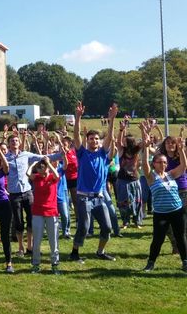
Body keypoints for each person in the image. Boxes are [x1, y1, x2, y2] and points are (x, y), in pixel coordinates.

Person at [69, 102, 117, 263]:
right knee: (84, 226)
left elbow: (109, 138)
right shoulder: (82, 153)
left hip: (99, 197)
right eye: (91, 139)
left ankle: (100, 251)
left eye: (96, 139)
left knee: (107, 227)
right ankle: (74, 252)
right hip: (83, 196)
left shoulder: (103, 154)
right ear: (87, 140)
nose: (94, 141)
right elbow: (76, 136)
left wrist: (111, 120)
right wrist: (78, 118)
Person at [140, 122, 187, 272]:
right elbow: (145, 164)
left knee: (181, 237)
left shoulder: (170, 174)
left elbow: (184, 166)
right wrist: (146, 147)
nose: (163, 164)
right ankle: (151, 263)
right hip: (161, 213)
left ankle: (185, 262)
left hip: (177, 211)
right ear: (154, 164)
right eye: (160, 162)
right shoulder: (151, 177)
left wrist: (181, 149)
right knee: (158, 240)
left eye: (165, 162)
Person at [27, 155, 63, 275]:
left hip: (51, 212)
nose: (41, 169)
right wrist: (34, 164)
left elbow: (57, 175)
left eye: (43, 167)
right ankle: (36, 264)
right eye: (40, 168)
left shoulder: (53, 178)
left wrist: (49, 164)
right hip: (38, 212)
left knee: (53, 240)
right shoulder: (36, 178)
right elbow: (28, 174)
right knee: (36, 240)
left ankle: (55, 264)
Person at [115, 122, 144, 228]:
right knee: (123, 202)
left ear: (130, 142)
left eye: (125, 140)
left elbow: (144, 142)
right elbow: (118, 141)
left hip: (134, 180)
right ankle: (125, 221)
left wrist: (143, 130)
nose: (123, 142)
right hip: (122, 180)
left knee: (137, 201)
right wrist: (121, 130)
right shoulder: (122, 151)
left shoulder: (136, 151)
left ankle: (137, 221)